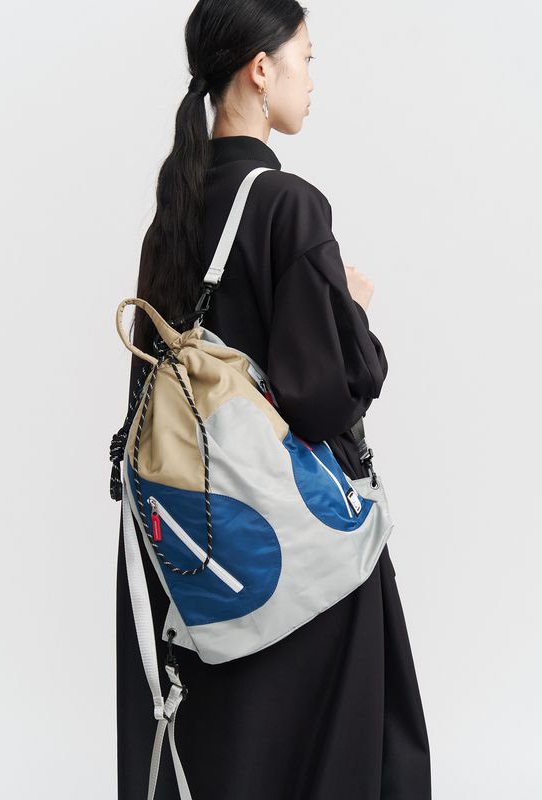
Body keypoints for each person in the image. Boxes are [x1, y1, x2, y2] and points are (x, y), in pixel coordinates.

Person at [115, 2, 431, 797]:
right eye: (307, 58)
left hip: (192, 559)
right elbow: (322, 401)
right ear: (262, 69)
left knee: (216, 761)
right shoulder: (289, 204)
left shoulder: (170, 219)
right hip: (297, 563)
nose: (311, 79)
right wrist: (350, 310)